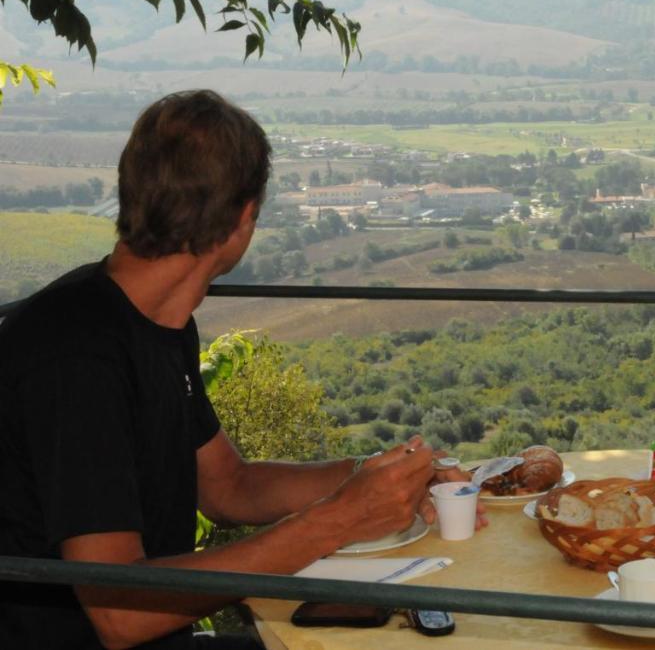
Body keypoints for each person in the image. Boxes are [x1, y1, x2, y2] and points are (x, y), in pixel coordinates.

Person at [0, 90, 482, 650]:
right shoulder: (76, 356)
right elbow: (119, 610)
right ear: (243, 217)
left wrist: (382, 474)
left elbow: (230, 487)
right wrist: (338, 521)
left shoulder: (157, 319)